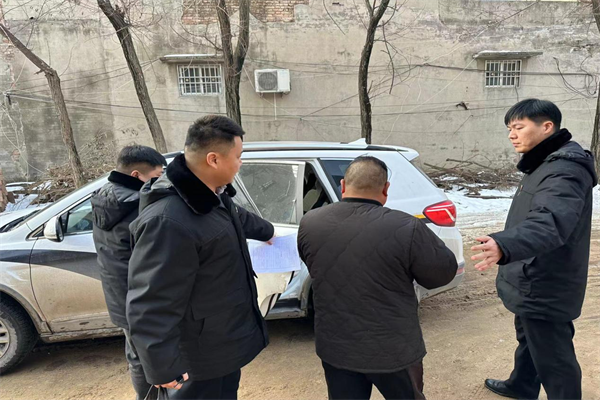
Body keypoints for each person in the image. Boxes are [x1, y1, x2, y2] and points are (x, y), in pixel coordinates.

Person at [126, 116, 275, 400]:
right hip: (198, 355)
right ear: (213, 160)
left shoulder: (211, 195)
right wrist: (163, 366)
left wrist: (268, 232)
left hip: (221, 342)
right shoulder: (168, 221)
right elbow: (151, 300)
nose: (240, 163)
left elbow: (235, 217)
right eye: (238, 156)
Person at [297, 156, 459, 400]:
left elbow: (311, 263)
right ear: (386, 189)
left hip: (337, 346)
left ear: (343, 186)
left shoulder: (310, 222)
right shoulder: (406, 227)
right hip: (394, 349)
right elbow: (441, 274)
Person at [471, 99, 597, 400]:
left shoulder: (564, 170)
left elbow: (550, 221)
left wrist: (505, 245)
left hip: (545, 279)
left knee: (555, 357)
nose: (512, 135)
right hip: (532, 271)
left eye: (519, 127)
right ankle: (523, 385)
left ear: (547, 127)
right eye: (509, 129)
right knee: (529, 337)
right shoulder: (546, 163)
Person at [91, 145, 167, 400]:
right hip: (142, 297)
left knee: (137, 356)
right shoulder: (139, 205)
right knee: (155, 360)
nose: (159, 182)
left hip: (120, 295)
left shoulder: (104, 194)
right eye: (156, 176)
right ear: (136, 175)